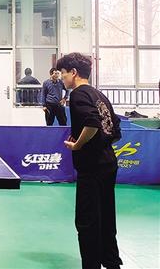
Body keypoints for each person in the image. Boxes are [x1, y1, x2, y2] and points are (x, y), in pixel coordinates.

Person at [57, 52, 122, 269]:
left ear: (74, 73)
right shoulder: (99, 94)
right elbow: (114, 128)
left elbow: (92, 123)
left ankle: (91, 265)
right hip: (108, 162)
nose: (62, 78)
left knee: (87, 221)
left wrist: (78, 144)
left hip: (91, 166)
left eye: (63, 73)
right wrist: (93, 141)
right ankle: (111, 262)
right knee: (106, 215)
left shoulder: (77, 94)